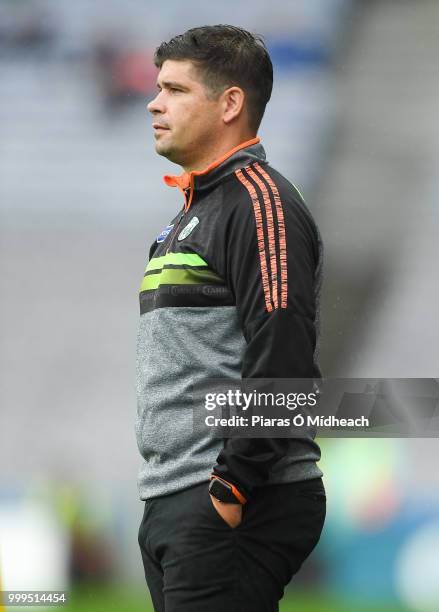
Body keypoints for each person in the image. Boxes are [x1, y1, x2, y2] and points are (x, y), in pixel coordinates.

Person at [136, 24, 326, 612]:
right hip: (179, 494)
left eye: (175, 89)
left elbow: (284, 346)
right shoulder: (197, 211)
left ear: (230, 104)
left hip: (232, 496)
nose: (154, 102)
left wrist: (233, 482)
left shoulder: (258, 200)